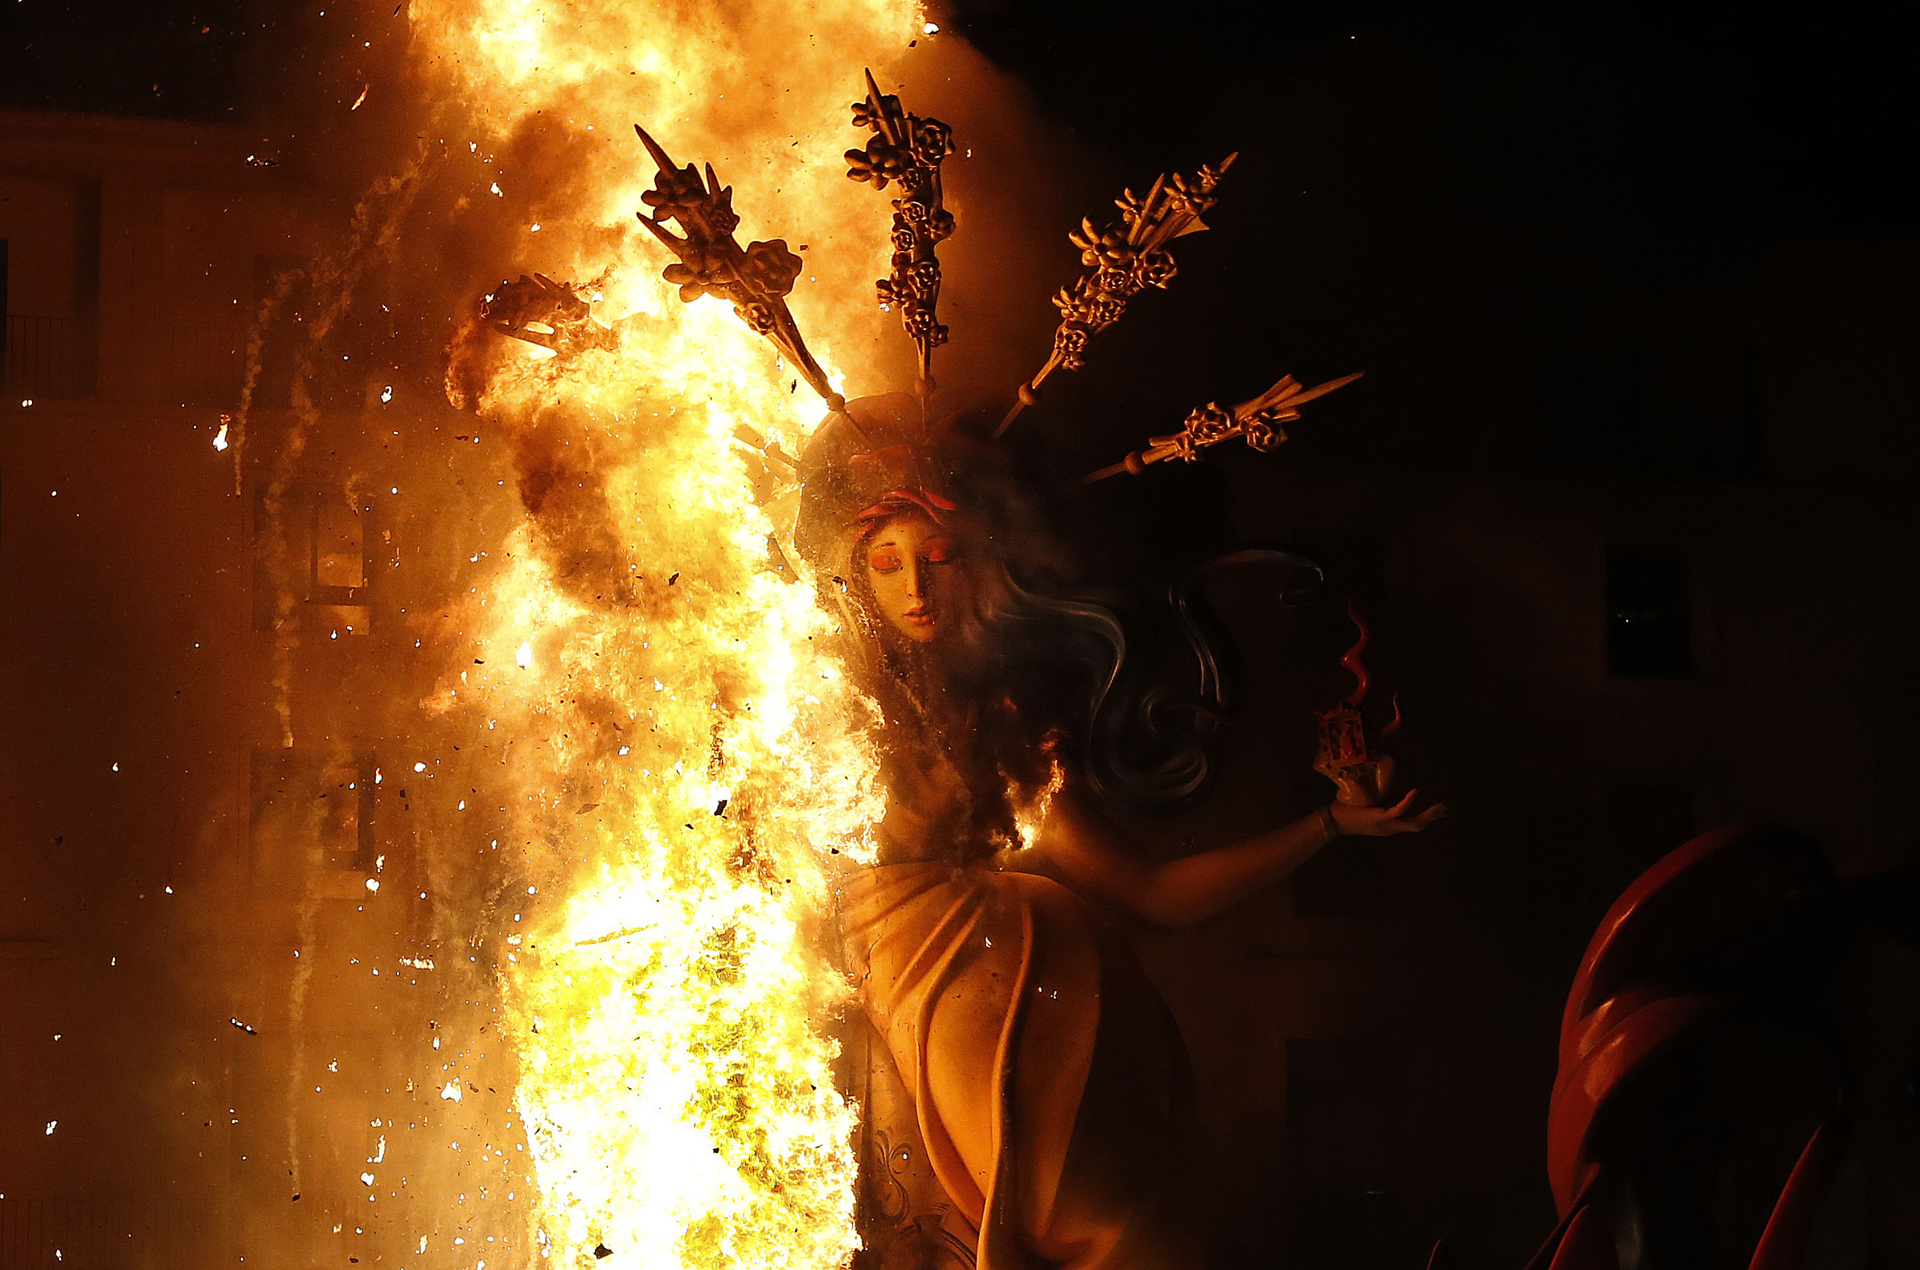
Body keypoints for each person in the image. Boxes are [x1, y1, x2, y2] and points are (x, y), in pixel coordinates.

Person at [799, 397, 1443, 1270]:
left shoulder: (1008, 722)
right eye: (885, 563)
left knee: (1106, 1224)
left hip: (991, 971)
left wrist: (1327, 825)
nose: (914, 586)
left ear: (975, 569)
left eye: (937, 557)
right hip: (861, 975)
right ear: (855, 579)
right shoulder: (808, 699)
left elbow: (1149, 893)